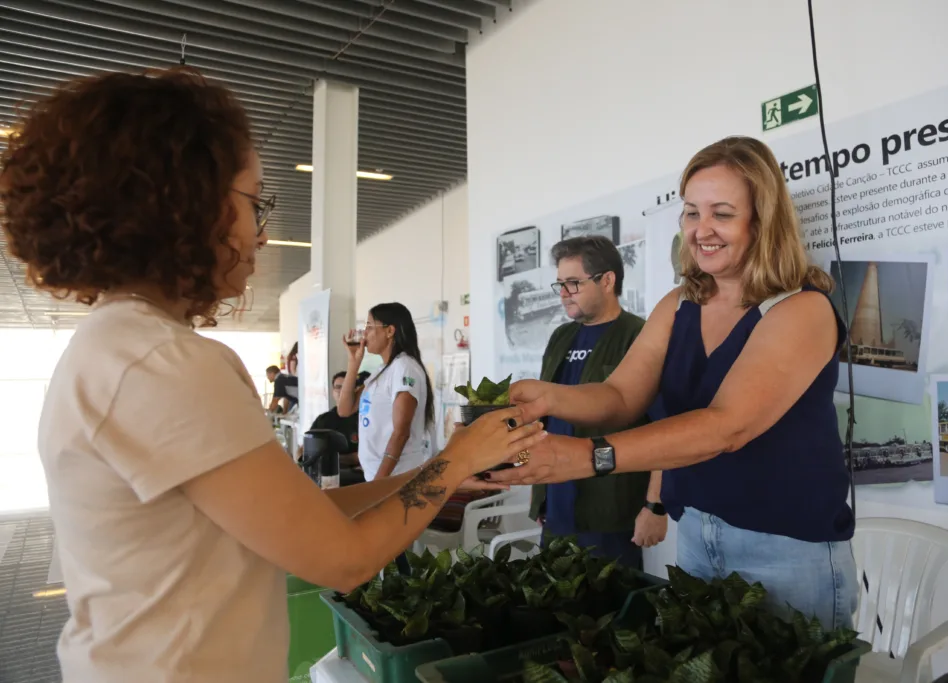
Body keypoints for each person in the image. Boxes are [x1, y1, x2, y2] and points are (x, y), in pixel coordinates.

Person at [0, 68, 543, 683]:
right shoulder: (162, 363)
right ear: (180, 202)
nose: (261, 234)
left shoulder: (124, 346)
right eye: (254, 203)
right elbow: (342, 560)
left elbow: (308, 514)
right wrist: (455, 461)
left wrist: (440, 473)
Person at [488, 136, 856, 630]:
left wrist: (586, 456)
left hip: (786, 549)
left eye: (721, 214)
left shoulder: (803, 308)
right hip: (700, 535)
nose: (701, 230)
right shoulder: (680, 303)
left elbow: (725, 428)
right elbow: (620, 396)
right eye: (691, 213)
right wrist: (545, 397)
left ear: (762, 220)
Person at [532, 235, 665, 569]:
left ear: (607, 280)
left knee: (611, 614)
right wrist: (540, 498)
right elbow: (543, 420)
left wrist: (654, 506)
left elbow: (664, 427)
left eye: (573, 283)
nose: (563, 294)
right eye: (560, 284)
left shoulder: (640, 336)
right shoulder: (561, 337)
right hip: (555, 507)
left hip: (610, 510)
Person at [338, 303, 435, 483]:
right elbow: (344, 409)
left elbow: (401, 433)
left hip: (396, 478)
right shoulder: (383, 370)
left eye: (369, 326)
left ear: (390, 331)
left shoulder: (405, 368)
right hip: (379, 477)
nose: (364, 333)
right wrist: (353, 363)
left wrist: (378, 484)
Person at [270, 344, 300, 413]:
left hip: (301, 398)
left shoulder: (279, 381)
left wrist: (268, 415)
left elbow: (275, 400)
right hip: (298, 398)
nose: (268, 377)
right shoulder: (283, 377)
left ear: (272, 373)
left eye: (268, 375)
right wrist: (284, 412)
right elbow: (286, 396)